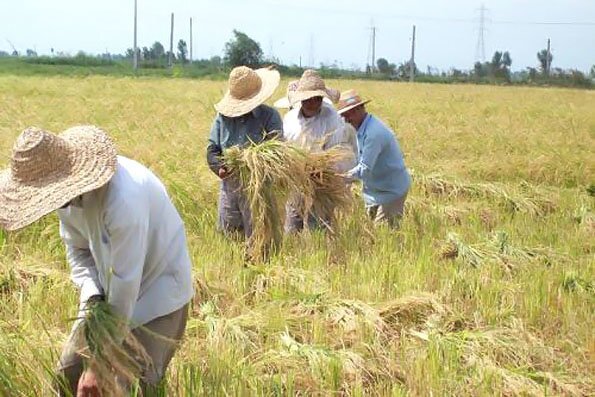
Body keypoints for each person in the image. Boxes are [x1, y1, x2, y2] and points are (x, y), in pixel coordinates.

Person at [0, 125, 194, 396]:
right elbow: (78, 252)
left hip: (157, 296)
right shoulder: (65, 200)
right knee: (67, 373)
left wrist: (99, 365)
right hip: (106, 297)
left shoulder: (124, 200)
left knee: (127, 386)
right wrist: (92, 298)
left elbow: (126, 286)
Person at [207, 65, 282, 238]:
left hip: (259, 188)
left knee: (259, 239)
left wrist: (252, 163)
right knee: (229, 237)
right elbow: (212, 149)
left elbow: (277, 151)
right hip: (230, 186)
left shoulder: (269, 117)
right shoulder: (222, 118)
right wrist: (219, 167)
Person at [282, 69, 357, 232]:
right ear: (301, 98)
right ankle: (295, 254)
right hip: (297, 181)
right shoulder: (290, 120)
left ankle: (321, 254)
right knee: (292, 227)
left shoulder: (332, 119)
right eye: (308, 99)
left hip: (322, 182)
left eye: (317, 99)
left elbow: (335, 153)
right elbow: (284, 147)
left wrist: (318, 169)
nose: (312, 103)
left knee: (319, 229)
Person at [337, 89, 411, 228]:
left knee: (384, 236)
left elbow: (364, 169)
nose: (347, 119)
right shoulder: (360, 128)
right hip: (374, 191)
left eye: (350, 113)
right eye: (344, 115)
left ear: (361, 109)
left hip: (390, 191)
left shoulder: (373, 133)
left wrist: (338, 178)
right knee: (373, 232)